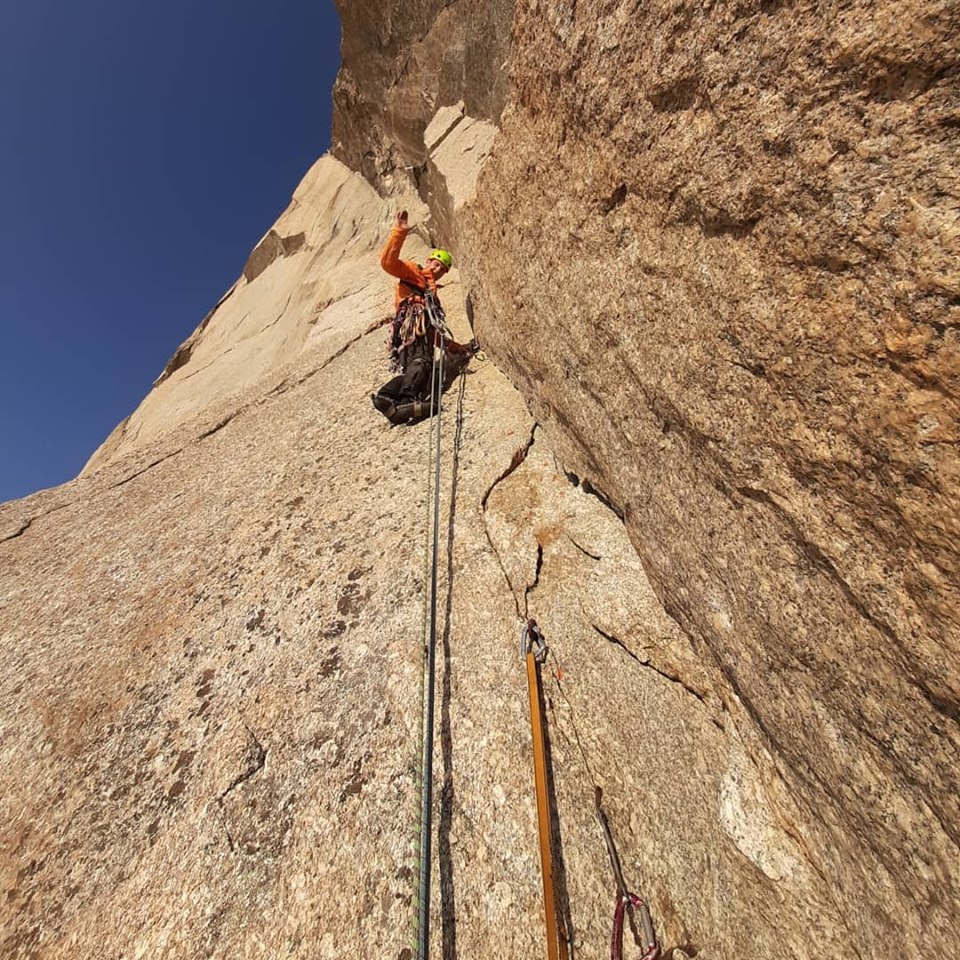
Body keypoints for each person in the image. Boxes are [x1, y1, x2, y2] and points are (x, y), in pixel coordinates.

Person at [371, 210, 476, 424]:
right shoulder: (413, 271)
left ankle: (387, 397)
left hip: (415, 333)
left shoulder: (432, 297)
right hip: (411, 327)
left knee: (415, 369)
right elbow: (388, 263)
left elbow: (433, 333)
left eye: (442, 268)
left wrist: (456, 348)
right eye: (435, 264)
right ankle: (408, 401)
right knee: (421, 363)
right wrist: (399, 231)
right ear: (428, 261)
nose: (436, 269)